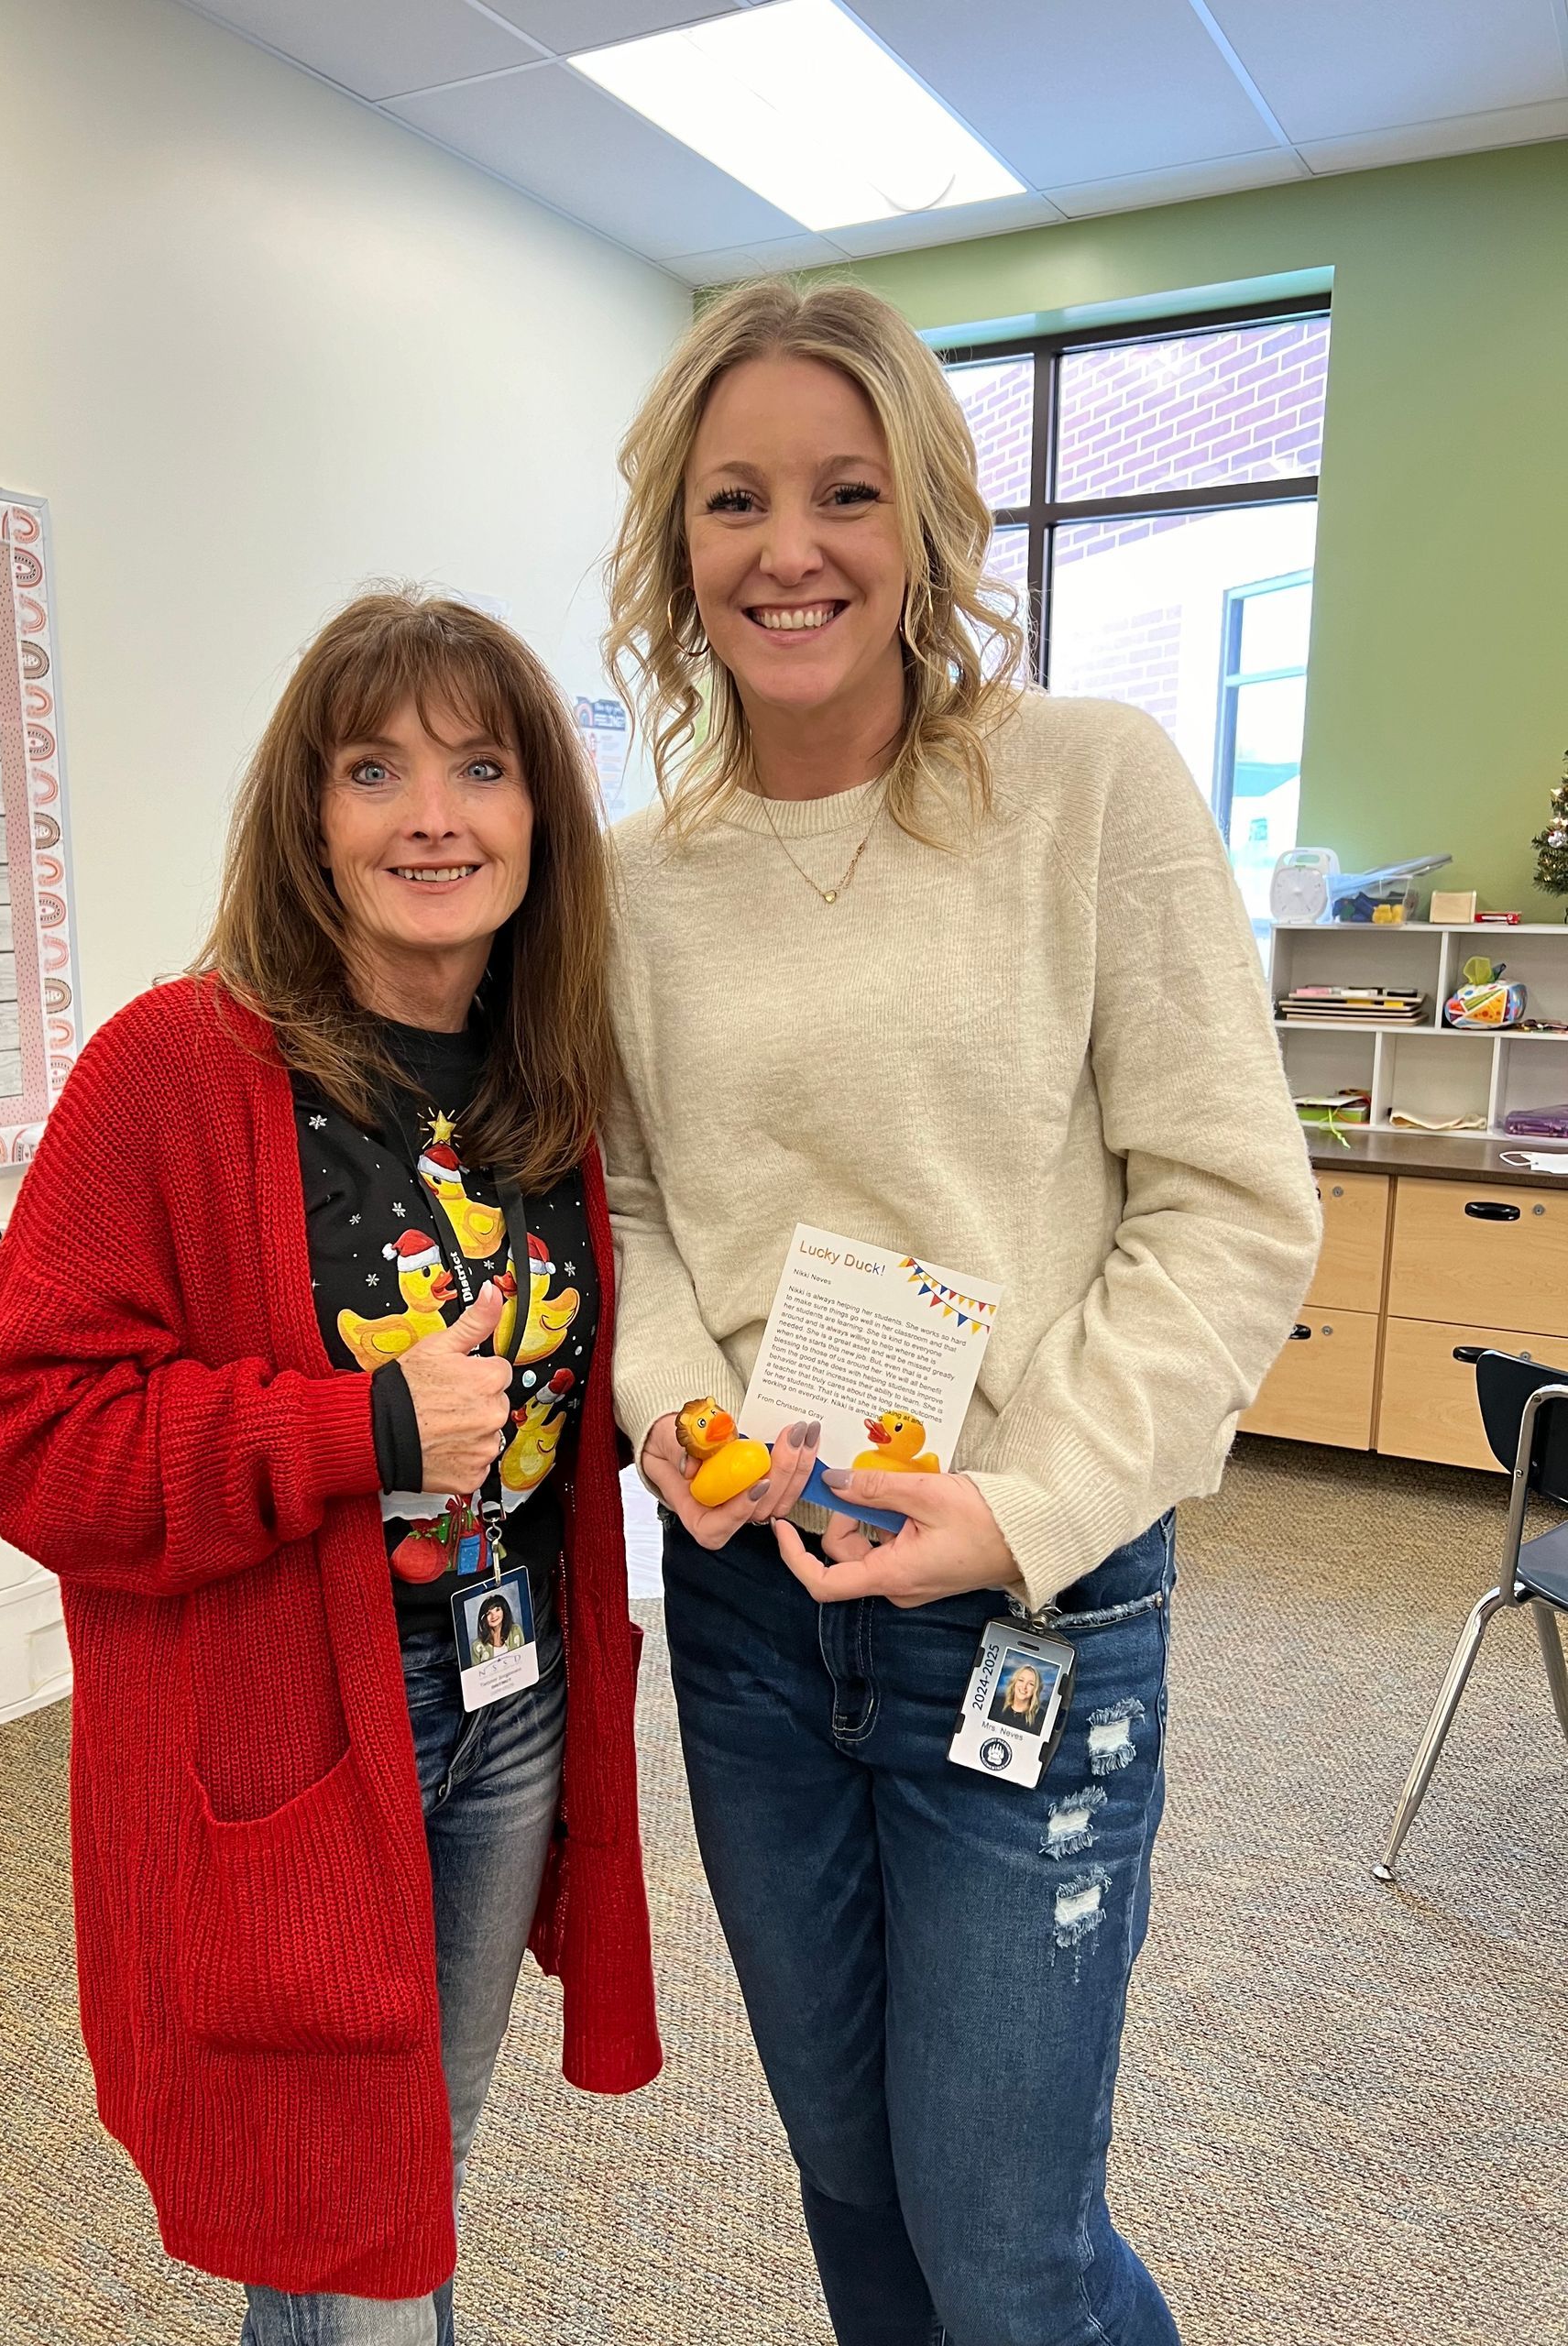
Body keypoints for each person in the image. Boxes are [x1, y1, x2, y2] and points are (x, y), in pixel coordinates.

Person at [600, 278, 1320, 2345]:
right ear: (679, 545)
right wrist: (677, 1410)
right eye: (734, 499)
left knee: (1007, 2246)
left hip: (1026, 1607)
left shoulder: (1085, 785)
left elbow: (1228, 1204)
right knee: (855, 2190)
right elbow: (627, 1200)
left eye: (844, 491)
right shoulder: (641, 876)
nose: (788, 547)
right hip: (755, 1602)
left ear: (928, 521)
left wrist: (1024, 1505)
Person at [0, 591, 660, 2345]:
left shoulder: (555, 1077)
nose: (434, 814)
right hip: (292, 1722)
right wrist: (354, 1433)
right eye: (375, 769)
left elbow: (601, 1361)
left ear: (539, 815)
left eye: (481, 768)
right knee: (348, 2232)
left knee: (416, 2162)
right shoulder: (173, 1070)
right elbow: (25, 1433)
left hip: (516, 1700)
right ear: (309, 819)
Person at [470, 1592, 527, 1666]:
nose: (493, 1616)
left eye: (497, 1610)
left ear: (504, 1611)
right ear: (483, 1618)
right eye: (488, 1613)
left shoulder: (515, 1631)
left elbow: (525, 1660)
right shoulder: (477, 1646)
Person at [990, 1661, 1047, 1734]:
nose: (1024, 1686)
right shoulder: (996, 1704)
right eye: (1021, 1680)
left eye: (1031, 1684)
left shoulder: (1041, 1717)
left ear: (1036, 1689)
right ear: (1014, 1683)